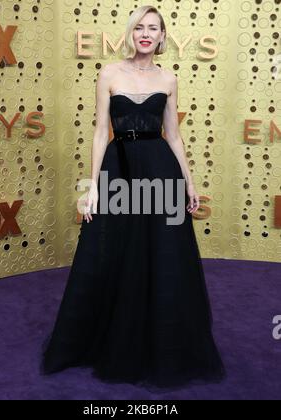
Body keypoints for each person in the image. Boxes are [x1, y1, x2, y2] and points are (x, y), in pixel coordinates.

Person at [41, 5, 226, 391]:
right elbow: (97, 132)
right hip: (118, 168)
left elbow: (173, 135)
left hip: (161, 170)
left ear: (162, 37)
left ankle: (161, 344)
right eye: (139, 27)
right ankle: (108, 340)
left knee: (163, 256)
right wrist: (92, 186)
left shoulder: (169, 78)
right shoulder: (109, 72)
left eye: (153, 28)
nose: (145, 33)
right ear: (131, 33)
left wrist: (189, 184)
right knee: (112, 251)